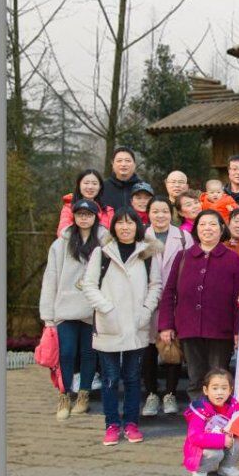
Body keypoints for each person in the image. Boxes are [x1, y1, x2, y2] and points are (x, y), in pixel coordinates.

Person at [80, 207, 163, 446]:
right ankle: (112, 424)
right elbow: (89, 285)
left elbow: (155, 286)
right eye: (120, 223)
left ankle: (131, 423)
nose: (125, 227)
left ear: (138, 226)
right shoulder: (102, 253)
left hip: (137, 325)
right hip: (109, 325)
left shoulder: (147, 254)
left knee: (133, 377)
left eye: (130, 223)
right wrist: (106, 308)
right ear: (113, 227)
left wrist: (146, 311)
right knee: (109, 378)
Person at [158, 210, 239, 403]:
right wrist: (166, 325)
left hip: (221, 330)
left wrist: (238, 330)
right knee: (196, 378)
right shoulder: (183, 256)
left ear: (221, 229)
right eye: (203, 224)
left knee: (219, 378)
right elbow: (170, 292)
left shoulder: (232, 258)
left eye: (213, 224)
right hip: (189, 328)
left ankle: (218, 415)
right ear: (196, 229)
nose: (208, 228)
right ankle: (198, 414)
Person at [40, 198, 103, 420]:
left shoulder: (104, 242)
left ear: (96, 217)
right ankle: (64, 395)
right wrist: (47, 315)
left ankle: (84, 395)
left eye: (88, 214)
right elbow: (51, 279)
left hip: (93, 308)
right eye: (80, 214)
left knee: (89, 353)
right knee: (66, 353)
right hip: (65, 307)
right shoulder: (60, 244)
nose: (84, 218)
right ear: (74, 216)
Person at [142, 196, 193, 418]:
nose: (160, 215)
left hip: (175, 299)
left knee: (172, 347)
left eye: (164, 211)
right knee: (148, 349)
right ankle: (151, 393)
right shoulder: (141, 236)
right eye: (155, 211)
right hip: (146, 300)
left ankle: (170, 393)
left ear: (171, 213)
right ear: (148, 213)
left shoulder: (183, 236)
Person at [183, 368, 239, 476]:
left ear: (230, 390)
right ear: (206, 390)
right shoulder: (200, 410)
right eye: (215, 388)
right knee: (215, 453)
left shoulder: (234, 406)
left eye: (224, 388)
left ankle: (226, 467)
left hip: (224, 439)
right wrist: (222, 440)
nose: (219, 392)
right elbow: (195, 437)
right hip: (200, 448)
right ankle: (200, 471)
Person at [57, 169, 114, 236]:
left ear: (100, 187)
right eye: (86, 183)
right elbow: (62, 232)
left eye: (94, 183)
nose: (90, 187)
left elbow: (111, 236)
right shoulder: (69, 208)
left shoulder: (108, 211)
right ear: (79, 185)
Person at [100, 146, 144, 212]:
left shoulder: (143, 188)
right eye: (119, 161)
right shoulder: (102, 188)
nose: (123, 164)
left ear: (134, 164)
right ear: (113, 164)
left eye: (128, 161)